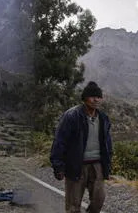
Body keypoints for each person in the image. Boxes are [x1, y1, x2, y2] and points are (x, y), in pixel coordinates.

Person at [50, 81, 113, 213]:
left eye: (98, 96)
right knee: (73, 206)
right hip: (76, 165)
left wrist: (108, 162)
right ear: (85, 98)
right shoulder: (72, 116)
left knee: (99, 200)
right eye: (92, 96)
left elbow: (107, 142)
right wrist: (58, 166)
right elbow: (60, 141)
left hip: (97, 165)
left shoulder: (103, 118)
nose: (96, 99)